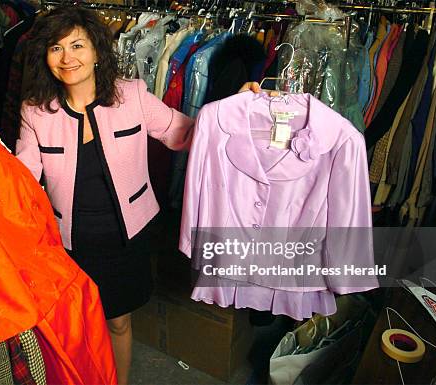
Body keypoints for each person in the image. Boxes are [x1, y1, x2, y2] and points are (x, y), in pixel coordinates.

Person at [15, 6, 266, 384]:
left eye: (77, 45)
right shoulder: (36, 112)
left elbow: (184, 133)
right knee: (75, 326)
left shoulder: (130, 95)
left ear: (97, 51)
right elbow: (19, 177)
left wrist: (236, 108)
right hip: (68, 243)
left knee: (118, 322)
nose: (67, 58)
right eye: (56, 48)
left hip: (126, 237)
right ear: (45, 57)